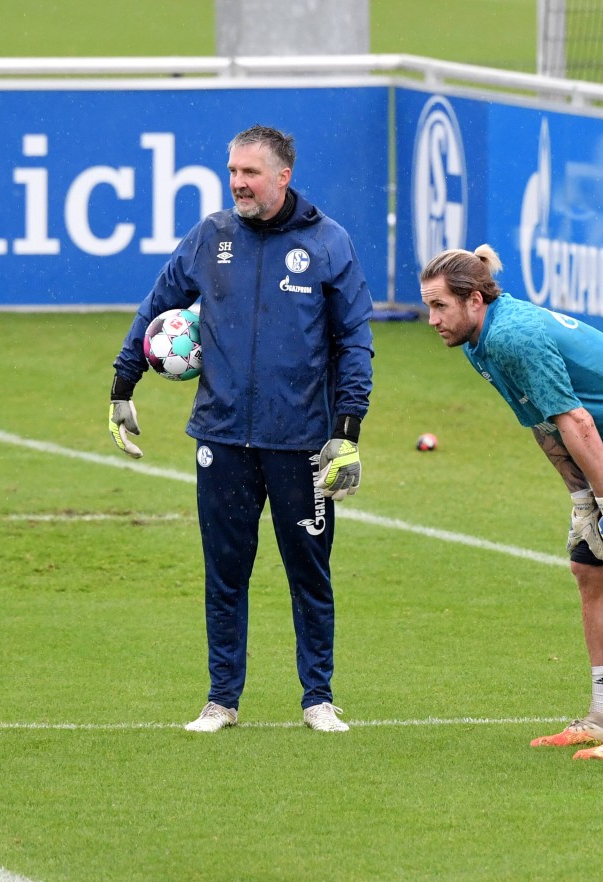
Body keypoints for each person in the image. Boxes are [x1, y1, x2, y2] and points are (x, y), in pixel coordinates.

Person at [108, 125, 374, 734]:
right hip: (222, 436)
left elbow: (355, 340)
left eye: (250, 173)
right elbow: (157, 307)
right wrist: (124, 384)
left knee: (309, 572)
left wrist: (347, 431)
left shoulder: (329, 244)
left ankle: (318, 698)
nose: (237, 183)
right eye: (232, 171)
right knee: (225, 572)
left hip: (302, 441)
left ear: (283, 176)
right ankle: (221, 699)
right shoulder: (211, 237)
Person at [419, 245, 603, 760]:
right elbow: (544, 424)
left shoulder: (515, 336)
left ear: (474, 299)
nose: (431, 320)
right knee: (588, 568)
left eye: (439, 306)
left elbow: (576, 422)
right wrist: (584, 501)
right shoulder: (479, 342)